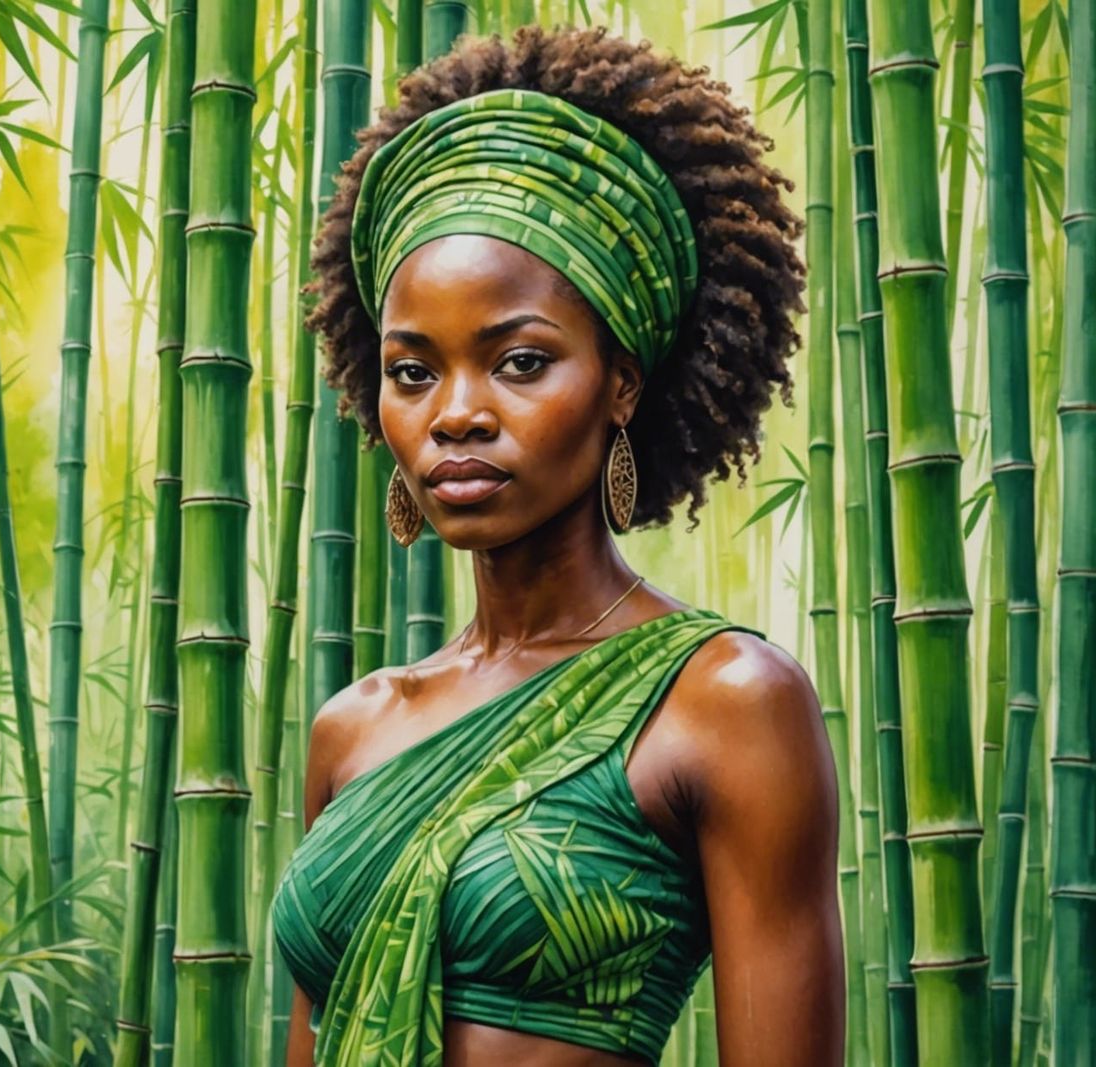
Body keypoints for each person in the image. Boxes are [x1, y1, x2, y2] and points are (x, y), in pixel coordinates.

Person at [270, 24, 843, 1067]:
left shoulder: (726, 701)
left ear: (620, 380)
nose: (455, 414)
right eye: (413, 372)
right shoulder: (350, 729)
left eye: (519, 361)